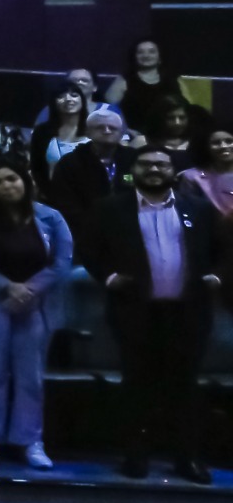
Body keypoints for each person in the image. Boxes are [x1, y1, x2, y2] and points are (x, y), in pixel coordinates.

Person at [82, 146, 222, 481]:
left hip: (187, 312)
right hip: (135, 310)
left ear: (173, 170)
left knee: (185, 387)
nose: (154, 169)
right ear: (135, 171)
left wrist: (218, 276)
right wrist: (110, 277)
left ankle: (187, 459)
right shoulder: (110, 208)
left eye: (162, 164)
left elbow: (222, 250)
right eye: (146, 164)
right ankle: (135, 457)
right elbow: (89, 250)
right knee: (136, 386)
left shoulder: (200, 209)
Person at [0, 157, 73, 470]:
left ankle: (30, 441)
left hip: (36, 303)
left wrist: (30, 289)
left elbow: (62, 262)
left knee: (31, 376)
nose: (6, 186)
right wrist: (6, 287)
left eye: (12, 179)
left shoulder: (51, 217)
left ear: (25, 180)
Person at [47, 105, 133, 239]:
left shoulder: (134, 158)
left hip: (131, 229)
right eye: (100, 127)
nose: (107, 130)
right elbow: (64, 203)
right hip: (86, 233)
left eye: (112, 128)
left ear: (122, 133)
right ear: (87, 132)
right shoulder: (70, 163)